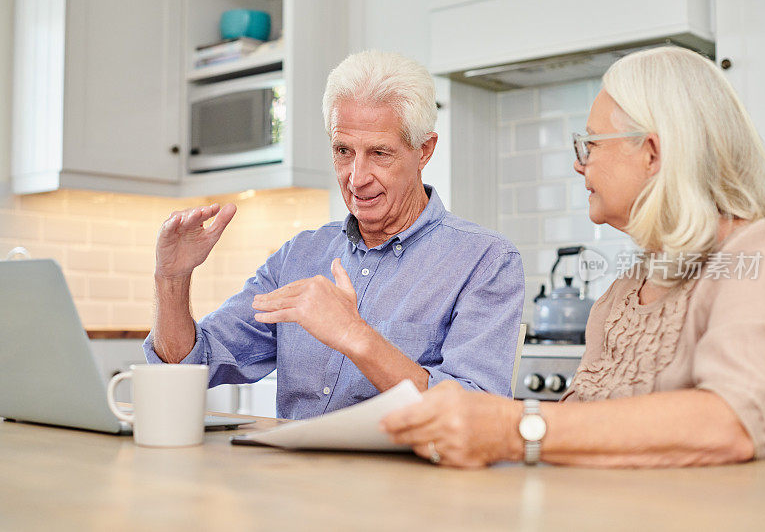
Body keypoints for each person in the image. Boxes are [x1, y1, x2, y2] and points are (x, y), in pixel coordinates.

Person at [381, 45, 765, 467]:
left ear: (652, 154)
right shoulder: (626, 289)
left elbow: (731, 424)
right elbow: (579, 429)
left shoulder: (759, 252)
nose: (580, 165)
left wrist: (512, 427)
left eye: (591, 144)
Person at [143, 50, 524, 420]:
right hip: (294, 480)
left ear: (424, 150)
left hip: (405, 484)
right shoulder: (299, 256)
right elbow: (190, 365)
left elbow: (478, 417)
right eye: (343, 150)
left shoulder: (485, 260)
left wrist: (354, 335)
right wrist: (172, 281)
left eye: (379, 153)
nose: (357, 178)